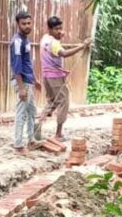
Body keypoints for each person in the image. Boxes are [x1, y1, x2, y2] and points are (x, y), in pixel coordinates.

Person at [37, 15, 92, 140]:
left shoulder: (45, 38)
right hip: (55, 76)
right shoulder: (54, 43)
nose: (60, 31)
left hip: (46, 76)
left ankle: (38, 125)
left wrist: (59, 37)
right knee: (64, 101)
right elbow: (64, 53)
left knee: (52, 101)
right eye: (57, 29)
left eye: (61, 28)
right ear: (50, 29)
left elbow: (55, 49)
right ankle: (58, 133)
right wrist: (82, 46)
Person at [9, 10, 40, 152]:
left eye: (29, 23)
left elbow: (27, 63)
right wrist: (21, 88)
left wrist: (35, 79)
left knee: (31, 111)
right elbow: (16, 66)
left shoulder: (25, 40)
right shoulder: (17, 41)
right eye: (24, 24)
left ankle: (31, 140)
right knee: (21, 112)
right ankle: (18, 144)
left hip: (28, 80)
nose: (27, 26)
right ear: (18, 24)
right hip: (22, 82)